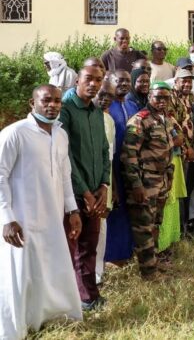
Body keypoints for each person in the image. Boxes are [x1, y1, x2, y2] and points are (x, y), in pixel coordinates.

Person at [0, 85, 83, 339]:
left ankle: (49, 317)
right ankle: (15, 329)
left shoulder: (60, 134)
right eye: (46, 100)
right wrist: (7, 218)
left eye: (58, 101)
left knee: (50, 268)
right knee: (20, 274)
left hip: (53, 217)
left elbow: (65, 175)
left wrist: (72, 210)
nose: (53, 105)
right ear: (31, 102)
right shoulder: (14, 133)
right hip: (21, 219)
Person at [59, 67, 111, 310]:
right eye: (88, 79)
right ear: (77, 80)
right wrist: (85, 191)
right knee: (70, 249)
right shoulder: (66, 109)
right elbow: (64, 156)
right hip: (71, 193)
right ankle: (68, 300)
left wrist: (103, 185)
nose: (93, 84)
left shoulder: (96, 111)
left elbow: (103, 149)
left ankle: (88, 295)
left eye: (98, 80)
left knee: (89, 247)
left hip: (94, 191)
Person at [122, 83, 177, 280]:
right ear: (149, 97)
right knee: (143, 228)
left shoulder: (165, 119)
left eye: (165, 98)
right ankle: (149, 273)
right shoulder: (139, 120)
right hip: (144, 184)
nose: (162, 101)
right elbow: (129, 155)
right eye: (157, 97)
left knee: (155, 225)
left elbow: (169, 151)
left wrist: (169, 177)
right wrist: (136, 185)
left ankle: (153, 263)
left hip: (160, 182)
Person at [105, 70, 135, 264]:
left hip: (131, 165)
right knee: (115, 207)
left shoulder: (132, 105)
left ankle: (128, 249)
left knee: (129, 207)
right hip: (113, 164)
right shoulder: (108, 106)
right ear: (110, 82)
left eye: (127, 80)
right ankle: (113, 255)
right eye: (119, 80)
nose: (124, 83)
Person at [168, 70, 194, 233]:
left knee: (190, 187)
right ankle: (180, 228)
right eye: (184, 81)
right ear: (176, 81)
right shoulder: (170, 97)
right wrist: (187, 149)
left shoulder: (193, 97)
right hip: (181, 151)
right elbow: (173, 125)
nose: (187, 84)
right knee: (181, 189)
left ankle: (187, 223)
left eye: (189, 81)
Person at [92, 81, 115, 285]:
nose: (105, 98)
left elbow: (110, 157)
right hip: (84, 186)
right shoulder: (83, 116)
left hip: (104, 184)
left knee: (101, 228)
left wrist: (110, 186)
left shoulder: (109, 120)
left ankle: (97, 274)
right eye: (101, 94)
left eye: (109, 95)